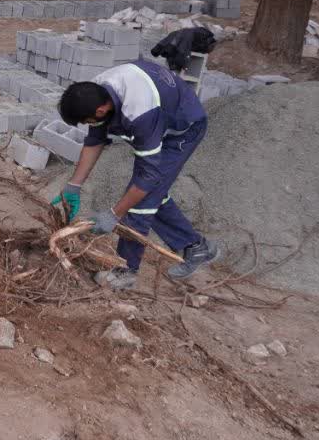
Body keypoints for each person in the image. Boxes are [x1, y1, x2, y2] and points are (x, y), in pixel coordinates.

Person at [51, 59, 221, 290]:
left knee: (143, 200)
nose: (87, 124)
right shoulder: (98, 91)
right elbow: (95, 140)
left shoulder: (140, 113)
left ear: (101, 110)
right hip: (162, 112)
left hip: (184, 129)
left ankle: (126, 271)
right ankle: (197, 246)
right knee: (151, 193)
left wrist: (114, 214)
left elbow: (148, 176)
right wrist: (74, 185)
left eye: (86, 121)